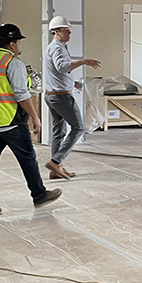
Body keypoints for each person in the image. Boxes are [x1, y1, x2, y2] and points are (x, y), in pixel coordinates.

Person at [0, 23, 61, 219]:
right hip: (10, 122)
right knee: (28, 160)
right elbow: (21, 95)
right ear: (12, 44)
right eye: (18, 41)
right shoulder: (13, 63)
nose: (20, 45)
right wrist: (35, 117)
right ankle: (39, 195)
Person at [43, 15, 101, 179]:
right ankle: (56, 161)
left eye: (69, 30)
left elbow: (56, 72)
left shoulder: (54, 47)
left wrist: (72, 82)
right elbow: (62, 67)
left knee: (58, 132)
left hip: (52, 95)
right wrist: (83, 61)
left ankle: (56, 170)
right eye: (65, 30)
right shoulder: (57, 48)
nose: (69, 32)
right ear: (56, 32)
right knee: (78, 128)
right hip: (61, 98)